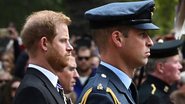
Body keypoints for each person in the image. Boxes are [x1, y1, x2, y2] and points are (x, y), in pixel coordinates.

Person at [77, 0, 159, 104]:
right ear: (118, 39)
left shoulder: (122, 88)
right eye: (142, 34)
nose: (150, 42)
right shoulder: (101, 96)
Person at [13, 10, 73, 104]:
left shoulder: (47, 85)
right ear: (44, 44)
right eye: (63, 40)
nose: (70, 47)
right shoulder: (32, 91)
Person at [138, 39, 183, 104]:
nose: (180, 67)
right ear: (160, 67)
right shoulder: (153, 98)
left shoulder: (159, 92)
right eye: (176, 62)